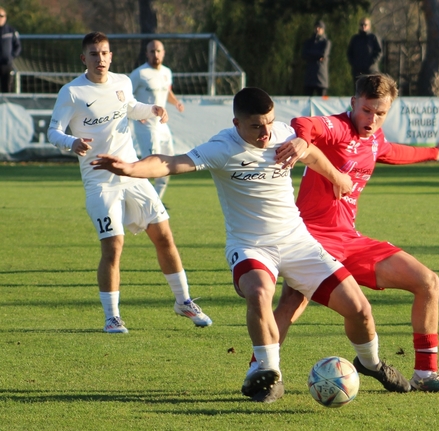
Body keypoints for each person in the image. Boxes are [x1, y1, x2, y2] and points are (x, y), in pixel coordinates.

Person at [91, 87, 412, 403]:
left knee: (360, 310)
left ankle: (371, 364)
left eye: (269, 123)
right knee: (260, 292)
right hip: (250, 246)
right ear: (237, 124)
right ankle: (269, 372)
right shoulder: (223, 147)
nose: (265, 133)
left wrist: (337, 177)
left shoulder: (282, 135)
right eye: (257, 126)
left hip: (298, 241)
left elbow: (311, 153)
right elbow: (171, 162)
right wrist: (131, 169)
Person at [271, 73, 439, 392]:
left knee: (428, 282)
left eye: (380, 113)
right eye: (366, 110)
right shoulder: (338, 128)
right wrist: (303, 143)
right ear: (353, 103)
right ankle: (262, 372)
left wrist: (434, 152)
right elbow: (303, 121)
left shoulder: (374, 138)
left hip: (350, 240)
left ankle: (427, 374)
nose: (372, 119)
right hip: (310, 238)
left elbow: (395, 152)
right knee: (292, 301)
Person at [47, 32, 212, 333]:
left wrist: (153, 110)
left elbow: (131, 107)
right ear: (84, 59)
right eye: (94, 54)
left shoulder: (122, 82)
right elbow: (53, 131)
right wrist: (71, 142)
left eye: (105, 53)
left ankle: (184, 301)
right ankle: (112, 316)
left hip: (132, 173)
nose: (101, 59)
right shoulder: (72, 92)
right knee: (114, 246)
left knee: (164, 236)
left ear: (111, 56)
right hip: (99, 180)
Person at [130, 40, 184, 200]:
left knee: (168, 161)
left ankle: (156, 201)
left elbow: (166, 92)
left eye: (158, 51)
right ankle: (135, 198)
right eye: (152, 51)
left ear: (164, 52)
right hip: (145, 125)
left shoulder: (167, 72)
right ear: (147, 54)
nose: (155, 54)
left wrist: (176, 103)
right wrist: (137, 112)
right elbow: (126, 96)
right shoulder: (139, 74)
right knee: (151, 164)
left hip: (162, 125)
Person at [347, 18, 382, 85]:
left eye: (365, 25)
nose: (363, 26)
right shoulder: (355, 39)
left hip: (371, 72)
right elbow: (349, 53)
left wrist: (371, 62)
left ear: (369, 26)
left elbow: (379, 52)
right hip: (358, 72)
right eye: (361, 24)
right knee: (359, 92)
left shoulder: (373, 37)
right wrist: (354, 64)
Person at [302, 20, 331, 97]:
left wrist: (311, 54)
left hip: (321, 78)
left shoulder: (326, 42)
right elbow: (304, 54)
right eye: (316, 27)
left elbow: (323, 54)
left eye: (320, 27)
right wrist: (317, 56)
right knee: (307, 100)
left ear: (323, 29)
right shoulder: (308, 42)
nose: (317, 29)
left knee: (322, 101)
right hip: (309, 77)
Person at [0, 6, 21, 93]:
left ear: (5, 17)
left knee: (7, 88)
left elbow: (18, 47)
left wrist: (11, 57)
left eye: (1, 16)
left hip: (6, 65)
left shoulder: (11, 31)